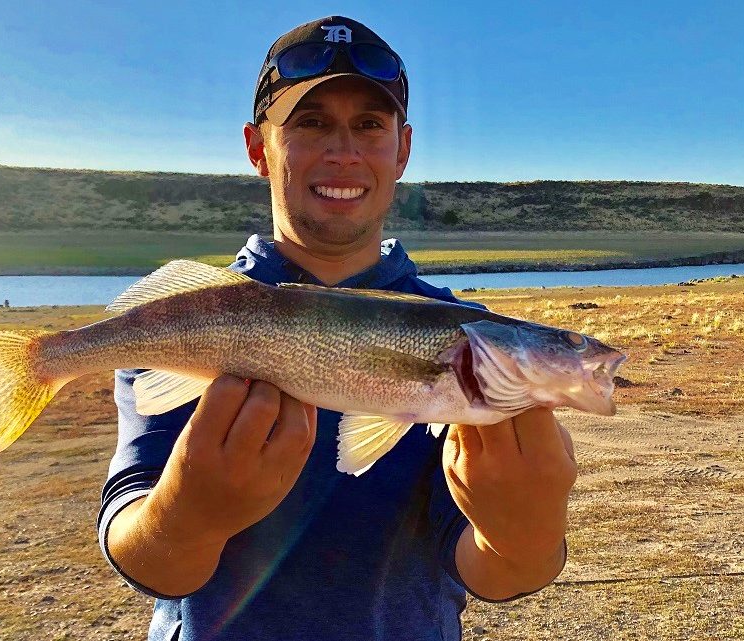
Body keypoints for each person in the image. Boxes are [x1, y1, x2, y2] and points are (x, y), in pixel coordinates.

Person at [98, 16, 577, 641]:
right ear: (257, 148)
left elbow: (488, 570)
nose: (344, 151)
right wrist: (184, 516)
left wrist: (526, 531)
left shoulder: (460, 341)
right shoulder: (193, 318)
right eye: (311, 122)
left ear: (402, 150)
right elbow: (142, 555)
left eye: (369, 125)